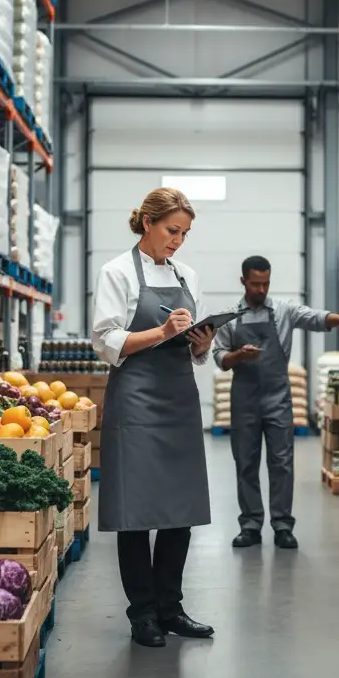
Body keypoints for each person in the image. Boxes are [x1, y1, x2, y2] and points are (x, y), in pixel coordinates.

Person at [91, 188, 217, 648]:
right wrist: (161, 331)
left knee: (178, 511)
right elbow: (105, 341)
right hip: (137, 402)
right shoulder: (117, 272)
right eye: (172, 230)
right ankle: (142, 613)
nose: (178, 241)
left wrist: (201, 344)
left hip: (179, 401)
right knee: (136, 513)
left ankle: (171, 607)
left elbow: (195, 344)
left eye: (185, 233)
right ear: (147, 222)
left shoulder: (187, 275)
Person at [213, 255, 339, 549]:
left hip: (277, 396)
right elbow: (220, 358)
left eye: (265, 283)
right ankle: (250, 525)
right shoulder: (229, 316)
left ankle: (282, 525)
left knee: (281, 462)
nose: (260, 289)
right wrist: (238, 356)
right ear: (243, 281)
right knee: (245, 463)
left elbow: (314, 317)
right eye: (255, 284)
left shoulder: (283, 310)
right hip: (243, 399)